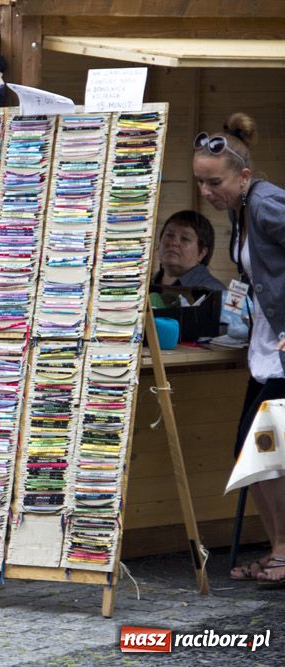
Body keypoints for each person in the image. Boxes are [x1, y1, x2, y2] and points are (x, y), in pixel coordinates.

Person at [193, 112, 285, 587]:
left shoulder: (266, 204)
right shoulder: (239, 209)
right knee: (253, 450)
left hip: (282, 353)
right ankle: (279, 550)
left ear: (244, 176)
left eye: (215, 183)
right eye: (200, 182)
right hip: (265, 347)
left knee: (265, 450)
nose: (206, 192)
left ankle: (283, 553)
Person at [153, 210, 226, 291]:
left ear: (202, 253)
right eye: (169, 235)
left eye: (185, 239)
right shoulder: (145, 282)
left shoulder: (214, 291)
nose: (173, 243)